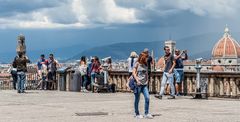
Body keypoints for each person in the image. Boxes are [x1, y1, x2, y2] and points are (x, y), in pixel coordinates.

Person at [132, 52, 153, 119]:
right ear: (142, 57)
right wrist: (137, 80)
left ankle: (146, 113)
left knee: (147, 98)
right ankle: (136, 113)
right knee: (137, 99)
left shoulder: (146, 64)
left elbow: (146, 73)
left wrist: (147, 80)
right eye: (145, 58)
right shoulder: (137, 64)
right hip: (138, 84)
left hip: (144, 85)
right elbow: (134, 73)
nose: (147, 59)